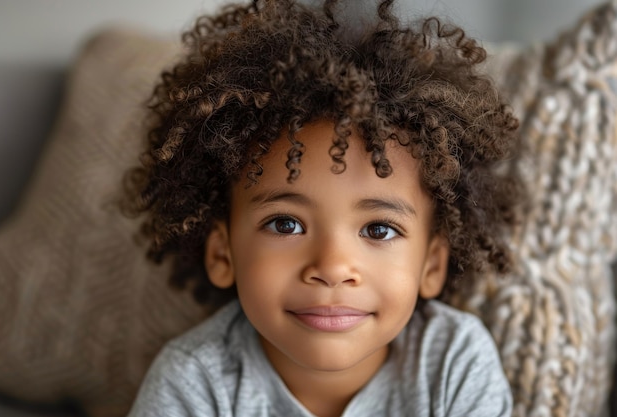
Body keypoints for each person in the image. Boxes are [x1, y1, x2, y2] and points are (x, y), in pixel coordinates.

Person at [124, 0, 523, 415]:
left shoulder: (453, 364)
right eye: (284, 224)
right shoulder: (194, 381)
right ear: (223, 252)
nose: (332, 267)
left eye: (379, 230)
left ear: (432, 266)